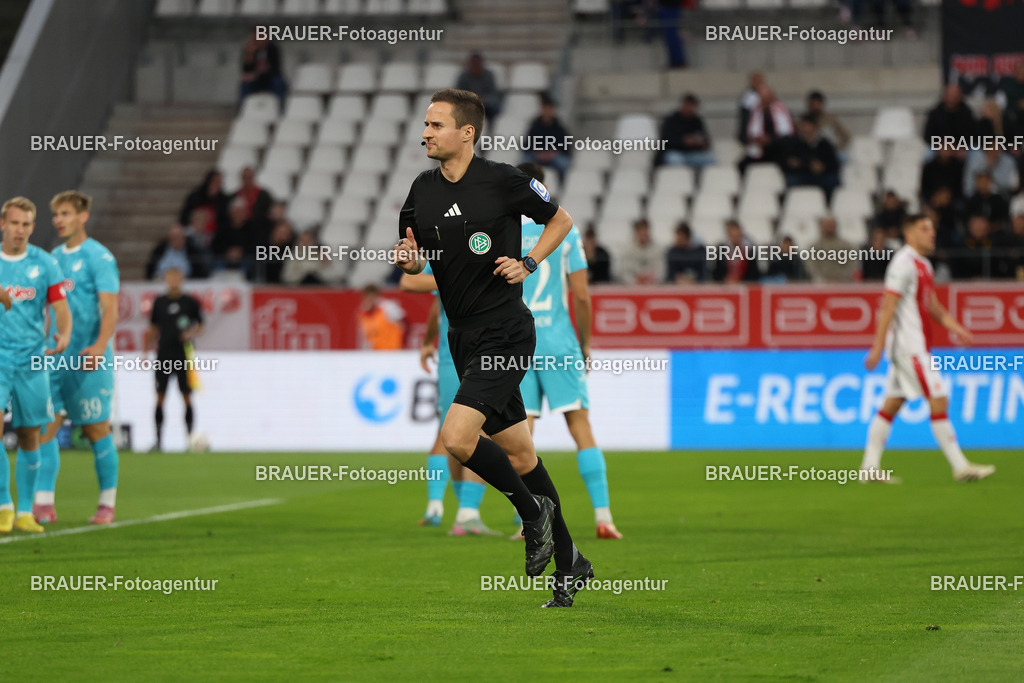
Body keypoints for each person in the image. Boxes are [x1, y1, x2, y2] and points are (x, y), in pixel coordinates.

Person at [393, 88, 591, 608]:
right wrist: (411, 262)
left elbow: (562, 220)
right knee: (521, 452)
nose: (426, 133)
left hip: (504, 331)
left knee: (457, 438)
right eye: (425, 124)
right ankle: (571, 562)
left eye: (436, 124)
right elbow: (414, 264)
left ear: (467, 133)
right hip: (462, 335)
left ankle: (532, 516)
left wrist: (529, 262)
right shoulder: (421, 189)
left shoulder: (503, 180)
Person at [516, 162, 623, 540]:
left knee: (521, 436)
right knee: (580, 427)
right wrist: (586, 342)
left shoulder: (504, 232)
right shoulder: (565, 228)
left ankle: (526, 524)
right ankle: (604, 516)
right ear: (542, 189)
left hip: (517, 344)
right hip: (559, 342)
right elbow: (581, 294)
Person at [861, 214, 994, 482]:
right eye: (924, 229)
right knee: (939, 397)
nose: (931, 233)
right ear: (910, 235)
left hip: (913, 346)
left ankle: (869, 468)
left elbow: (931, 305)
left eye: (932, 228)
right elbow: (888, 307)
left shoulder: (924, 265)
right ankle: (960, 466)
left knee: (893, 403)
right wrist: (876, 347)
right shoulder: (902, 264)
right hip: (909, 347)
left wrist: (955, 327)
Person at [33, 191, 121, 525]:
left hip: (88, 359)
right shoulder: (51, 258)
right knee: (45, 427)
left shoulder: (99, 257)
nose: (58, 220)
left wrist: (99, 346)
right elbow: (47, 307)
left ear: (83, 216)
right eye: (56, 215)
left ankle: (106, 504)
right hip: (56, 358)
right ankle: (43, 504)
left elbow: (110, 307)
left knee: (97, 429)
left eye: (65, 214)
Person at [401, 266, 499, 536]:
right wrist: (460, 275)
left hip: (467, 353)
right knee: (476, 428)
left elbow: (435, 307)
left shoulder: (454, 246)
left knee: (452, 430)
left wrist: (426, 342)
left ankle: (447, 508)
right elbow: (408, 281)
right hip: (470, 353)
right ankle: (467, 512)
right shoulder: (456, 248)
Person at [0, 197, 71, 534]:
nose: (20, 230)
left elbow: (59, 306)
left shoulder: (44, 264)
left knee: (30, 434)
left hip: (32, 359)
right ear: (3, 224)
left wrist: (65, 333)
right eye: (15, 223)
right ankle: (4, 505)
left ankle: (25, 511)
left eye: (27, 224)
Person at [143, 268, 204, 452]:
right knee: (160, 397)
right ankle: (158, 441)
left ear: (182, 279)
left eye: (177, 277)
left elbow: (201, 324)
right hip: (164, 354)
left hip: (183, 355)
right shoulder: (159, 302)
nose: (174, 280)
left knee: (186, 397)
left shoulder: (190, 302)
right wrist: (145, 352)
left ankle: (190, 440)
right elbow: (153, 328)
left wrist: (191, 333)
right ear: (166, 279)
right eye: (170, 277)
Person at [779, 115, 840, 201]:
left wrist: (823, 167)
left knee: (832, 180)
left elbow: (834, 164)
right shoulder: (793, 143)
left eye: (808, 125)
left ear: (815, 127)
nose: (805, 129)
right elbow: (785, 161)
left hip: (820, 176)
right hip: (801, 174)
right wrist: (794, 164)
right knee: (791, 180)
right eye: (803, 125)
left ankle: (829, 206)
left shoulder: (824, 144)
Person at [740, 84, 793, 172]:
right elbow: (745, 134)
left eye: (767, 98)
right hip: (759, 148)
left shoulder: (782, 110)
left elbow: (788, 133)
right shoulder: (754, 112)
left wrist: (771, 139)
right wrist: (756, 139)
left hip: (778, 148)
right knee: (742, 165)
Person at [522, 94, 573, 181]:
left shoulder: (559, 127)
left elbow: (566, 146)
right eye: (545, 109)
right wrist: (538, 153)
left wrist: (553, 153)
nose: (547, 112)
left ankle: (561, 185)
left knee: (564, 164)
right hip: (536, 155)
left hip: (554, 156)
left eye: (549, 109)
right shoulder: (534, 126)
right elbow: (527, 145)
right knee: (522, 163)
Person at [659, 94, 714, 169]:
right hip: (675, 152)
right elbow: (666, 140)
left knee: (710, 160)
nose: (689, 108)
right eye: (687, 105)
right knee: (675, 160)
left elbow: (705, 139)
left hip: (692, 153)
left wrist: (699, 142)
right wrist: (683, 141)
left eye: (692, 106)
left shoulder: (697, 121)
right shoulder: (671, 120)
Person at [922, 84, 976, 160]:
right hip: (940, 147)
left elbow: (973, 134)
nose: (952, 97)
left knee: (976, 154)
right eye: (950, 95)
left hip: (961, 147)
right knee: (928, 153)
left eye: (955, 95)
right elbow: (927, 135)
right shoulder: (935, 113)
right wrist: (941, 146)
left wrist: (960, 147)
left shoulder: (967, 113)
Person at [240, 26, 286, 109]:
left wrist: (256, 75)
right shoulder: (249, 49)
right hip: (256, 80)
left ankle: (281, 108)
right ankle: (242, 109)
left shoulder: (273, 49)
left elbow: (275, 69)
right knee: (245, 84)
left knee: (278, 82)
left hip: (269, 79)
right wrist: (250, 55)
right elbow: (246, 69)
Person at [145, 223, 210, 281]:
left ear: (183, 238)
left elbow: (200, 272)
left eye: (177, 237)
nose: (175, 240)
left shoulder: (192, 251)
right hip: (161, 283)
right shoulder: (160, 250)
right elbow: (150, 269)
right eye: (172, 238)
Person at [179, 170, 229, 245]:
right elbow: (184, 216)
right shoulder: (195, 197)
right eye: (215, 181)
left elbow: (224, 221)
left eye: (219, 182)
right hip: (194, 237)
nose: (217, 184)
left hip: (215, 240)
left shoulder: (223, 200)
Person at [804, 216, 858, 283]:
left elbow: (852, 264)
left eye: (831, 225)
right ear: (821, 227)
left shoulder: (846, 246)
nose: (829, 228)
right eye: (827, 225)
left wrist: (843, 277)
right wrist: (821, 278)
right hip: (821, 283)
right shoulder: (814, 247)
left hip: (843, 282)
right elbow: (811, 266)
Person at [356, 284, 405, 351]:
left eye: (372, 297)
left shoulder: (388, 307)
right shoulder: (363, 313)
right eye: (368, 298)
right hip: (374, 353)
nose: (370, 300)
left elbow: (404, 324)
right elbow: (364, 336)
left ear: (377, 296)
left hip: (392, 352)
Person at [455, 53, 502, 121]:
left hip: (486, 106)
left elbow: (493, 93)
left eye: (477, 64)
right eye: (473, 64)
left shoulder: (488, 76)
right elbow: (458, 93)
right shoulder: (463, 76)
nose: (475, 66)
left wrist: (483, 99)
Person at [804, 90, 850, 155]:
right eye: (812, 104)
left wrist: (836, 148)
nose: (814, 107)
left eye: (816, 104)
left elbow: (846, 136)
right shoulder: (804, 119)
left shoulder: (830, 119)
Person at [619, 219, 662, 285]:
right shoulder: (627, 250)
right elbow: (624, 273)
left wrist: (649, 279)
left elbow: (660, 272)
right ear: (635, 232)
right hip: (633, 289)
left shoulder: (657, 250)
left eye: (645, 230)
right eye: (640, 230)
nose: (643, 233)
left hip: (652, 288)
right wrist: (635, 280)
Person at [657, 0, 687, 68]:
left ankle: (679, 60)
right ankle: (674, 61)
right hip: (667, 6)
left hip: (670, 6)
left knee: (672, 36)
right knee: (669, 37)